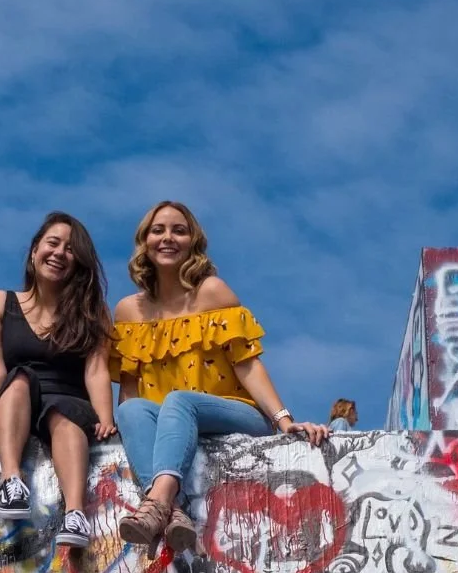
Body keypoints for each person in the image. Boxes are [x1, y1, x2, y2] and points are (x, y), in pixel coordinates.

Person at [110, 201, 330, 555]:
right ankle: (174, 512)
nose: (168, 238)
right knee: (132, 409)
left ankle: (159, 502)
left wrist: (284, 421)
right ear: (144, 242)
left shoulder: (212, 292)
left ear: (193, 242)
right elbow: (130, 389)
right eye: (158, 230)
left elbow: (247, 364)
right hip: (168, 422)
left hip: (234, 412)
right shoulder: (127, 311)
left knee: (178, 400)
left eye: (178, 230)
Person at [0, 212, 118, 549]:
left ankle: (76, 514)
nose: (59, 253)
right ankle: (12, 481)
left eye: (70, 249)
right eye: (52, 243)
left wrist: (106, 418)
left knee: (63, 416)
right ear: (34, 250)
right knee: (19, 380)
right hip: (18, 398)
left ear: (79, 263)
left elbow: (96, 370)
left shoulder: (93, 312)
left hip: (69, 402)